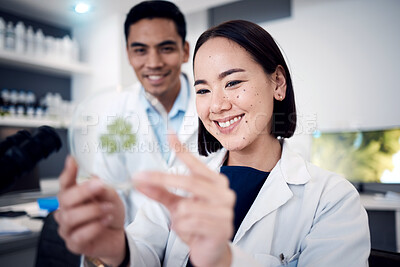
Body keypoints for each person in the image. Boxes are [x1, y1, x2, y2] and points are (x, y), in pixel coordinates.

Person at [55, 20, 370, 266]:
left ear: (277, 82)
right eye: (203, 90)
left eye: (232, 82)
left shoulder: (331, 200)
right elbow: (144, 250)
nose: (217, 105)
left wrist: (223, 260)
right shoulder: (179, 180)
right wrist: (117, 250)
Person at [92, 0, 223, 224]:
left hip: (200, 244)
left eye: (166, 48)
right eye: (140, 50)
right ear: (128, 54)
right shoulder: (117, 112)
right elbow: (108, 188)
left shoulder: (217, 106)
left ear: (184, 51)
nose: (153, 63)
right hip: (137, 247)